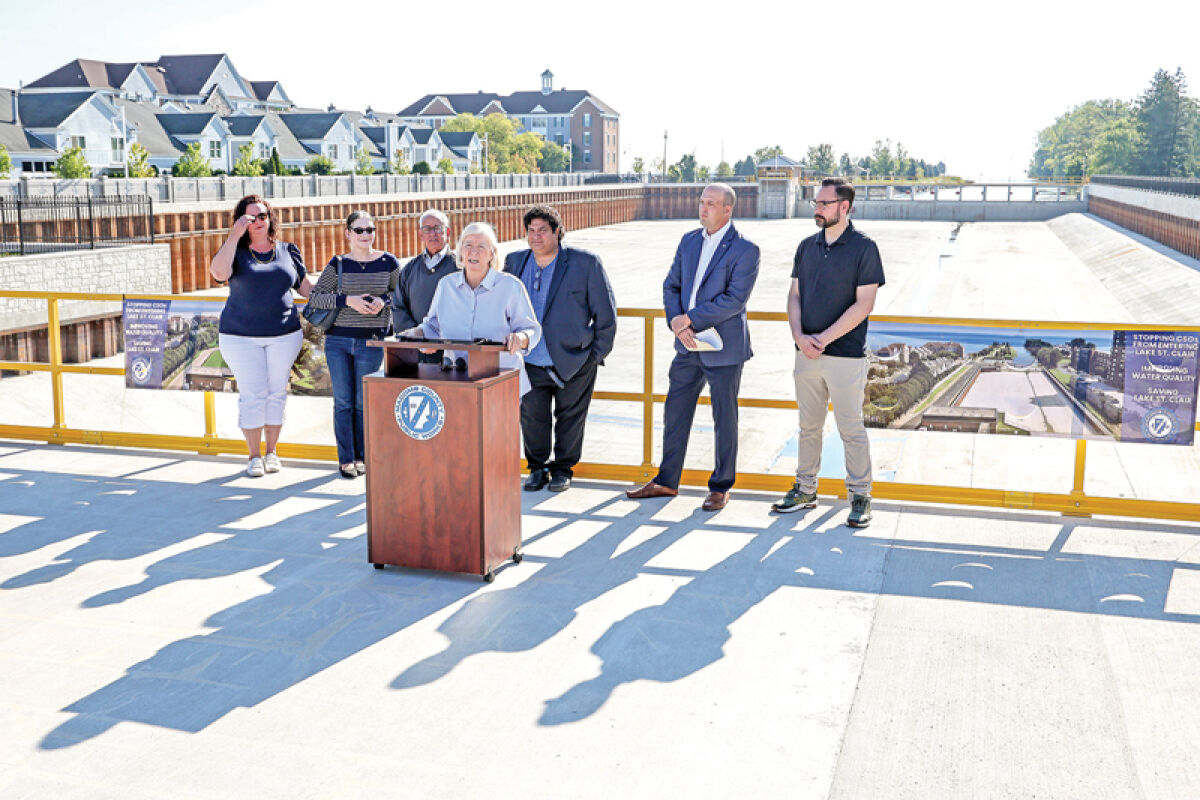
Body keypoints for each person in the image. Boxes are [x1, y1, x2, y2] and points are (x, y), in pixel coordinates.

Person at [626, 183, 759, 511]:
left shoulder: (746, 250)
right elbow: (671, 284)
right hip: (687, 346)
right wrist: (675, 320)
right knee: (675, 411)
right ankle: (666, 481)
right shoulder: (688, 241)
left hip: (723, 347)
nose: (703, 208)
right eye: (702, 202)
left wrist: (689, 320)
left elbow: (734, 300)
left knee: (724, 418)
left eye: (711, 204)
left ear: (728, 209)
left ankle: (721, 487)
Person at [771, 177, 885, 528]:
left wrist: (822, 337)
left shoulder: (865, 248)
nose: (817, 208)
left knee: (851, 429)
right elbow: (794, 295)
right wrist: (800, 336)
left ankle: (861, 496)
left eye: (823, 203)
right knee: (808, 428)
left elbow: (864, 305)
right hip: (805, 353)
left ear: (844, 206)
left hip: (845, 356)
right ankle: (805, 490)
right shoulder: (806, 246)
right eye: (816, 203)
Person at [503, 205, 617, 493]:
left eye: (543, 230)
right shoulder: (514, 262)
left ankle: (563, 469)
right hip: (529, 360)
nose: (536, 236)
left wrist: (594, 356)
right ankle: (537, 467)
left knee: (571, 418)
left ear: (557, 231)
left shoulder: (585, 263)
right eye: (531, 230)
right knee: (532, 418)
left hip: (574, 360)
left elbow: (606, 314)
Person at [210, 194, 313, 477]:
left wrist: (343, 298)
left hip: (284, 335)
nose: (257, 221)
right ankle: (254, 456)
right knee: (253, 395)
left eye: (262, 215)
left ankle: (272, 452)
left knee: (277, 392)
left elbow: (305, 288)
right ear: (241, 220)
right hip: (240, 337)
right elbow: (218, 273)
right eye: (250, 217)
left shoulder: (288, 251)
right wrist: (234, 236)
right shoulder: (236, 251)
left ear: (271, 219)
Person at [306, 210, 402, 479]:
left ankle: (364, 456)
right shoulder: (338, 264)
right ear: (348, 233)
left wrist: (384, 300)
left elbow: (402, 293)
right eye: (359, 230)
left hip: (371, 341)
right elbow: (316, 299)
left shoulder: (388, 262)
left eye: (370, 230)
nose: (365, 235)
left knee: (364, 403)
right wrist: (347, 300)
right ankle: (346, 459)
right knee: (344, 402)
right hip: (338, 341)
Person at [400, 221, 541, 395]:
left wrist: (520, 338)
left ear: (492, 253)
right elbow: (433, 326)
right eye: (468, 245)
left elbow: (531, 330)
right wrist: (417, 334)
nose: (474, 251)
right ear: (460, 252)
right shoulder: (446, 285)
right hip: (455, 379)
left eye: (481, 246)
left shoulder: (511, 286)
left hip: (501, 381)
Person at [392, 209, 458, 364]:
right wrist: (417, 338)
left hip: (451, 352)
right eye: (427, 229)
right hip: (415, 352)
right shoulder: (409, 269)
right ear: (420, 234)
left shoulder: (460, 267)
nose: (432, 233)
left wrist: (437, 339)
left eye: (437, 228)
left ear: (447, 231)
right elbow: (398, 306)